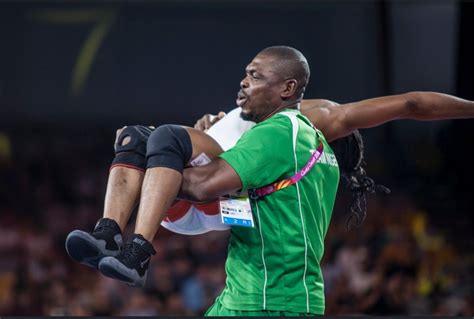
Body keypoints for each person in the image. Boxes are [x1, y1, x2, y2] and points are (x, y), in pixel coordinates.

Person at [65, 46, 474, 314]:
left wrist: (170, 161)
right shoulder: (250, 119)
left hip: (217, 201)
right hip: (211, 219)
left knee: (164, 137)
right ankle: (107, 234)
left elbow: (412, 104)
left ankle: (138, 250)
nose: (244, 81)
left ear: (288, 88)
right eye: (247, 73)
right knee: (140, 135)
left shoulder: (300, 125)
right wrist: (188, 145)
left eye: (256, 75)